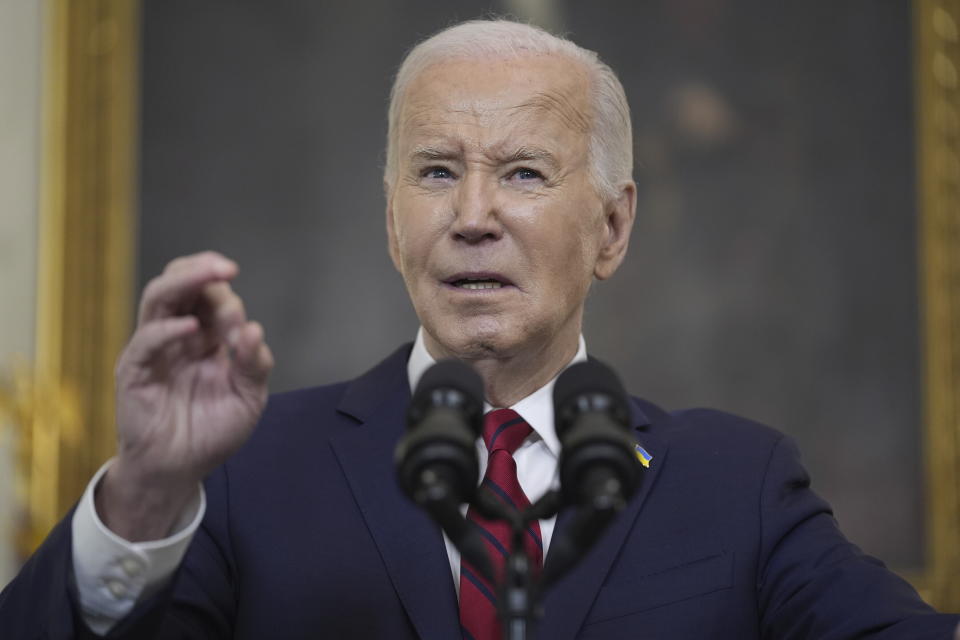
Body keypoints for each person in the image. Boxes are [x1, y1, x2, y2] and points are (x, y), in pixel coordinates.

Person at [1, 18, 958, 640]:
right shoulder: (245, 471)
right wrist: (140, 497)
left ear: (612, 227)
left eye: (525, 173)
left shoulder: (735, 484)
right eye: (434, 171)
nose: (472, 215)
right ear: (391, 221)